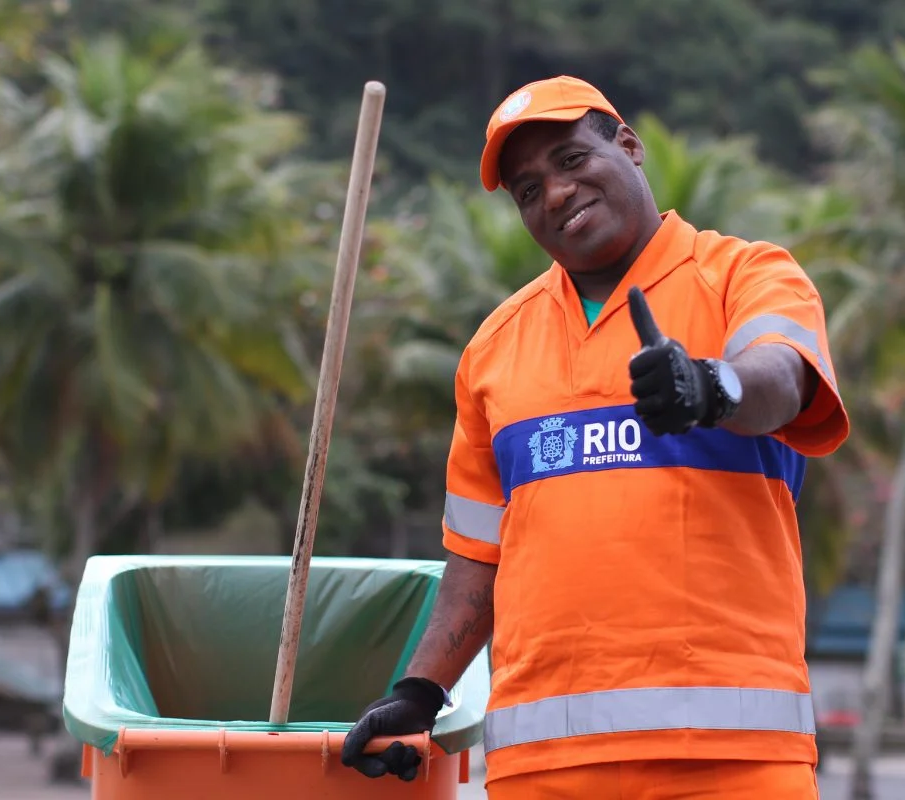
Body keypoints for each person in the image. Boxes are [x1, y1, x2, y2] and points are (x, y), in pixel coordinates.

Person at [340, 75, 850, 799]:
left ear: (630, 147)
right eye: (526, 189)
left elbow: (782, 377)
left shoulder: (745, 274)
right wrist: (420, 690)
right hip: (543, 769)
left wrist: (711, 388)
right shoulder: (495, 347)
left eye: (572, 160)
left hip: (729, 761)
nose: (553, 194)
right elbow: (478, 558)